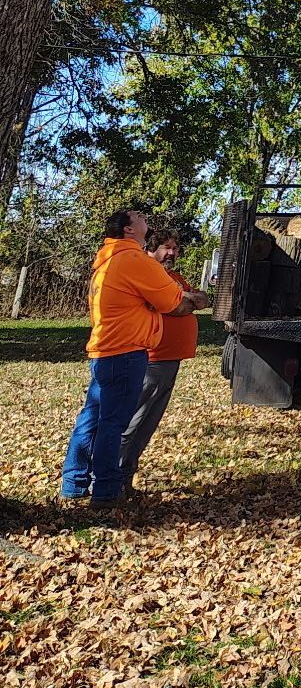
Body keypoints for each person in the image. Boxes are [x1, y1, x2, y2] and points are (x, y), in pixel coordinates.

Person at [60, 207, 198, 508]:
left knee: (91, 418)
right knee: (114, 423)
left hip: (104, 350)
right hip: (126, 352)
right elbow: (173, 302)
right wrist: (188, 298)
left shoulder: (107, 259)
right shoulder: (133, 258)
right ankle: (107, 491)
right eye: (139, 218)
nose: (144, 219)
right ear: (128, 230)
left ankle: (73, 483)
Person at [119, 220, 209, 495]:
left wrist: (186, 297)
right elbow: (171, 306)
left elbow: (201, 299)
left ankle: (125, 477)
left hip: (171, 360)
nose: (171, 253)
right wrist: (184, 300)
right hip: (151, 359)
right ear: (151, 250)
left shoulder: (175, 278)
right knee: (133, 420)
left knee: (148, 423)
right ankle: (111, 480)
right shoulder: (148, 273)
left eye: (175, 248)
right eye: (165, 248)